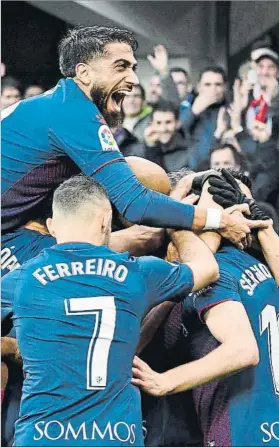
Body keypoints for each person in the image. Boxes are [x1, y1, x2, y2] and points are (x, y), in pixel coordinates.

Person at [1, 174, 219, 447]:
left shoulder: (21, 280)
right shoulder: (137, 273)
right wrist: (176, 221)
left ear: (52, 226)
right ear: (106, 219)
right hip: (115, 435)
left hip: (42, 436)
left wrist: (12, 347)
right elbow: (208, 269)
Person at [1, 26, 264, 248]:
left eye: (133, 67)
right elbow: (136, 203)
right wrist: (219, 220)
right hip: (9, 242)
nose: (134, 79)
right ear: (84, 72)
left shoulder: (56, 102)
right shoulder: (73, 112)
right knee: (146, 238)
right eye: (121, 67)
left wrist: (189, 179)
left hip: (15, 229)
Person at [132, 169, 279, 447]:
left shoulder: (217, 273)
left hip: (238, 431)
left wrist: (164, 381)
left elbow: (242, 350)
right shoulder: (261, 268)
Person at [181, 66, 228, 170]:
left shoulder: (231, 110)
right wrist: (193, 112)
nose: (213, 89)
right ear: (199, 87)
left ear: (225, 87)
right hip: (191, 172)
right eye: (207, 85)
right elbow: (177, 133)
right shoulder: (187, 108)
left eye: (218, 84)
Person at [143, 100, 189, 172]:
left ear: (177, 123)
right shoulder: (143, 149)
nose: (163, 129)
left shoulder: (188, 151)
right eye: (158, 123)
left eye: (168, 122)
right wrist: (151, 146)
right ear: (151, 124)